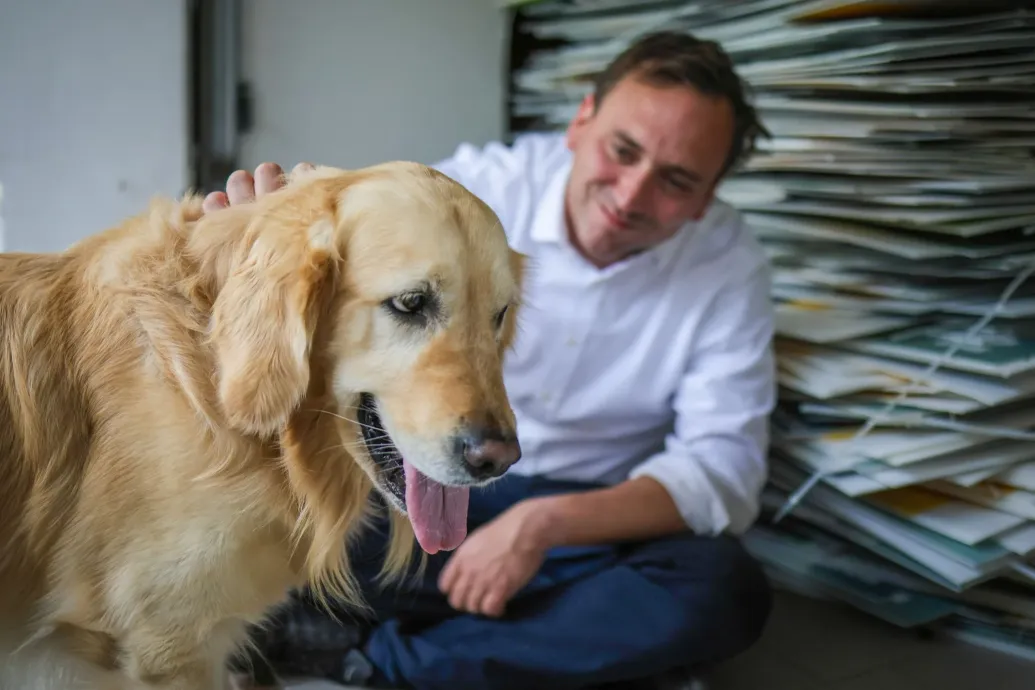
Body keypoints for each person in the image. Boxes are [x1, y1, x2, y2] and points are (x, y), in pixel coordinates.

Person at [212, 31, 776, 690]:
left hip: (589, 524)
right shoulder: (468, 192)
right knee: (282, 514)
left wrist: (541, 525)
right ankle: (551, 653)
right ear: (580, 120)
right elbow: (332, 295)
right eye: (621, 151)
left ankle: (370, 660)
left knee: (722, 589)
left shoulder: (731, 269)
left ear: (707, 198)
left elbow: (724, 469)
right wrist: (253, 251)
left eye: (676, 181)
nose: (629, 195)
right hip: (414, 488)